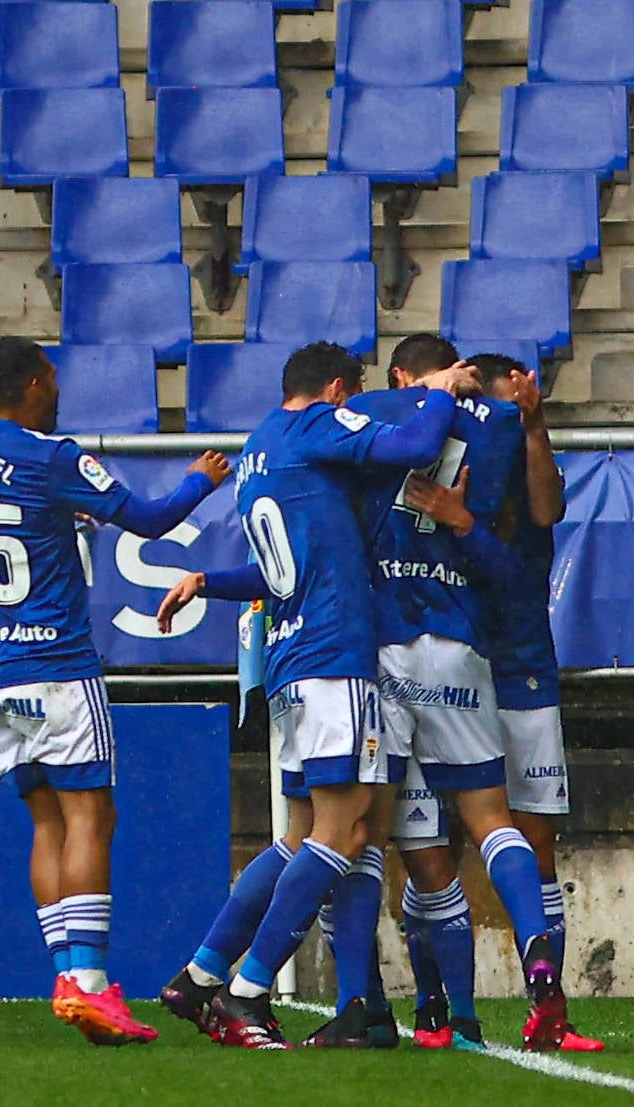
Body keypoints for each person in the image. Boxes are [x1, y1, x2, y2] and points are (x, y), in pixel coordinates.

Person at [153, 341, 477, 1048]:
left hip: (293, 658)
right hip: (335, 653)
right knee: (345, 828)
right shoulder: (317, 428)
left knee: (306, 836)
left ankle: (205, 971)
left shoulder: (260, 450)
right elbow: (418, 439)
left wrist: (208, 581)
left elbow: (281, 567)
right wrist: (444, 389)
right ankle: (245, 990)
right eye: (351, 396)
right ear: (336, 390)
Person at [0, 336, 231, 1046]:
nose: (58, 386)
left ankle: (68, 978)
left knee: (45, 822)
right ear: (33, 385)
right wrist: (201, 478)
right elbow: (151, 519)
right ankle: (91, 983)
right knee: (93, 816)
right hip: (57, 662)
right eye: (52, 376)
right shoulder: (52, 455)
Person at [347, 333, 572, 1053]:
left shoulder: (366, 419)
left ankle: (441, 1014)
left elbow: (541, 523)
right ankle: (488, 992)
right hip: (462, 649)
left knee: (388, 841)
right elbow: (509, 560)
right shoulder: (488, 435)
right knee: (490, 821)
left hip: (395, 652)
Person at [400, 352, 601, 1053]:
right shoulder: (429, 468)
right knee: (435, 845)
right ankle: (438, 1004)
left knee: (534, 840)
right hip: (453, 666)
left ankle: (547, 1002)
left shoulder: (520, 462)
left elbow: (548, 510)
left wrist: (537, 427)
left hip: (521, 668)